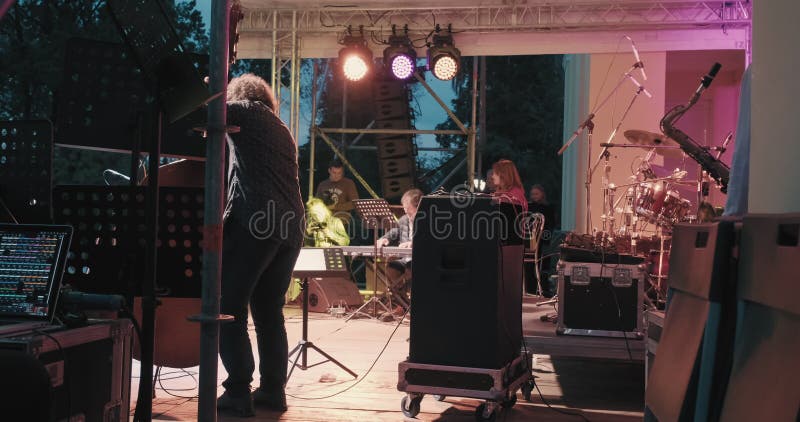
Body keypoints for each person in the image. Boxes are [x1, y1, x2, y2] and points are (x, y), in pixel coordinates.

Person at [217, 74, 304, 417]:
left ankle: (238, 390)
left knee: (229, 306)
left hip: (258, 220)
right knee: (269, 312)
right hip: (290, 226)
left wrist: (210, 85)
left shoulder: (246, 111)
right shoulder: (280, 128)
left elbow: (209, 113)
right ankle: (271, 391)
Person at [375, 188, 423, 308]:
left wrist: (413, 243)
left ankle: (411, 305)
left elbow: (430, 239)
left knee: (410, 267)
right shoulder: (404, 220)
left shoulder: (428, 220)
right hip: (405, 259)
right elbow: (395, 231)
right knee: (392, 264)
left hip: (421, 260)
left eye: (408, 208)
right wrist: (385, 238)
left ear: (419, 207)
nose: (405, 211)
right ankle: (401, 304)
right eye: (404, 208)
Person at [315, 160, 359, 226]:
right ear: (329, 171)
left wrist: (335, 207)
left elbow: (355, 203)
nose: (337, 175)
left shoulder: (348, 183)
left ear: (342, 172)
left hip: (342, 221)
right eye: (334, 172)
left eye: (339, 173)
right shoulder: (323, 184)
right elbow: (317, 202)